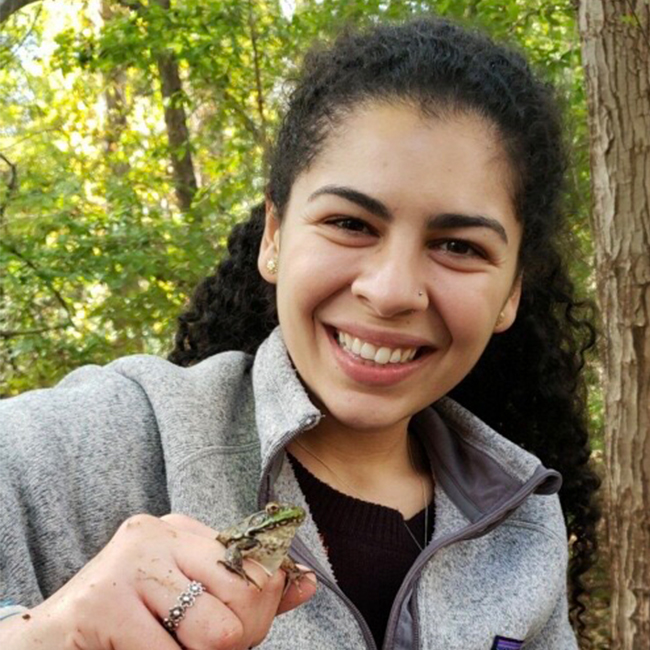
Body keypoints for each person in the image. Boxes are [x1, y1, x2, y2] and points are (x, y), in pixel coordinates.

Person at [0, 16, 600, 650]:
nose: (391, 291)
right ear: (275, 237)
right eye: (350, 223)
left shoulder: (526, 521)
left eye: (459, 246)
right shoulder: (95, 438)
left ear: (511, 292)